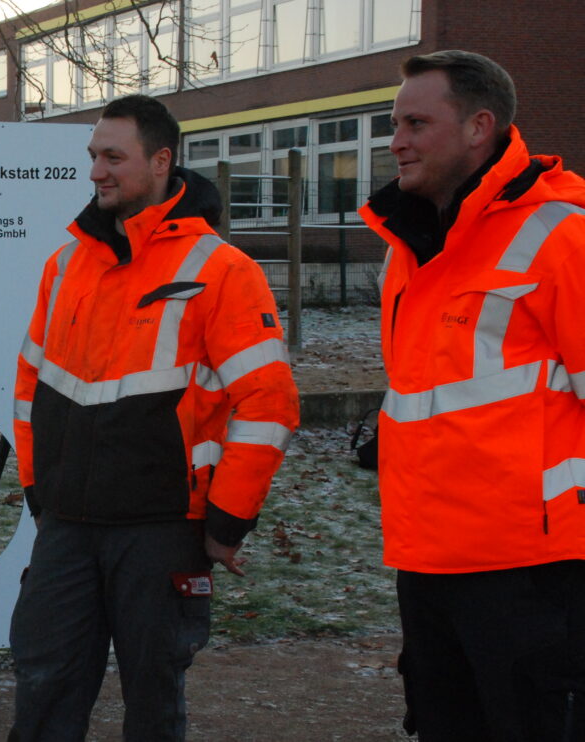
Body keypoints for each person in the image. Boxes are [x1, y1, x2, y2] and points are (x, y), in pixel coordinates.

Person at [8, 94, 300, 741]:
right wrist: (39, 492)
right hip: (68, 528)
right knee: (42, 688)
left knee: (152, 703)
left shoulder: (221, 271)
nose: (96, 172)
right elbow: (32, 386)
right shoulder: (64, 266)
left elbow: (268, 402)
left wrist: (226, 521)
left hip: (161, 530)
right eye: (93, 157)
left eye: (113, 157)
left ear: (162, 160)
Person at [360, 50, 585, 740]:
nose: (396, 141)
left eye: (416, 123)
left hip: (530, 573)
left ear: (479, 127)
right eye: (395, 123)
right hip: (426, 560)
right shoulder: (409, 248)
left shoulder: (561, 234)